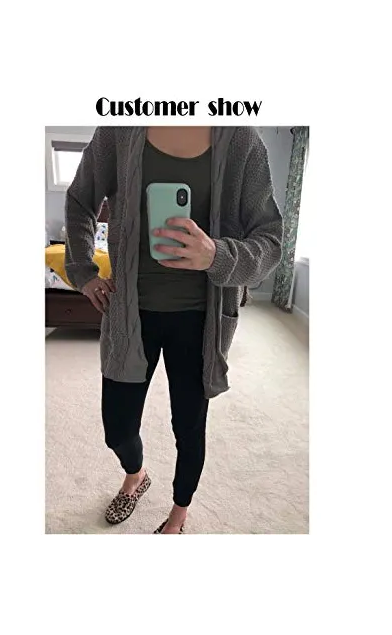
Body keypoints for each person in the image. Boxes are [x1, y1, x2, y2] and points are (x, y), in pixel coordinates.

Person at [65, 126, 283, 534]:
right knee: (118, 428)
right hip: (130, 312)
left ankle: (179, 513)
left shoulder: (241, 140)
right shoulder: (119, 130)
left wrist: (216, 254)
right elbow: (80, 200)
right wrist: (84, 272)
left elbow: (270, 242)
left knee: (189, 427)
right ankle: (137, 475)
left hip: (201, 319)